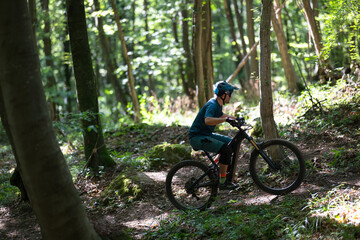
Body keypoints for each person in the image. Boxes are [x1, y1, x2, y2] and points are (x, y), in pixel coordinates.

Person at [189, 81, 239, 190]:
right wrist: (225, 120)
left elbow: (221, 115)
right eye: (230, 94)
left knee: (232, 143)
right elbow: (208, 120)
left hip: (205, 134)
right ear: (223, 94)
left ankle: (215, 167)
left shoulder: (217, 104)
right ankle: (222, 181)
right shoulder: (212, 105)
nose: (230, 96)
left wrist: (235, 119)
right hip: (197, 137)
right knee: (226, 150)